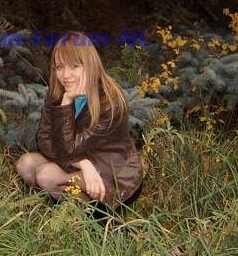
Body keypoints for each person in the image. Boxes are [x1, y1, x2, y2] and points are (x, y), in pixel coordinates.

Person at [16, 31, 143, 211]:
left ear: (89, 64)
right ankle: (63, 207)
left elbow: (73, 149)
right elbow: (44, 139)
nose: (65, 75)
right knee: (26, 164)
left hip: (112, 175)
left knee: (45, 174)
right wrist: (82, 164)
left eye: (74, 66)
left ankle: (95, 217)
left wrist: (66, 104)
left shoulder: (109, 101)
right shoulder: (57, 93)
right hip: (78, 164)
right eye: (59, 67)